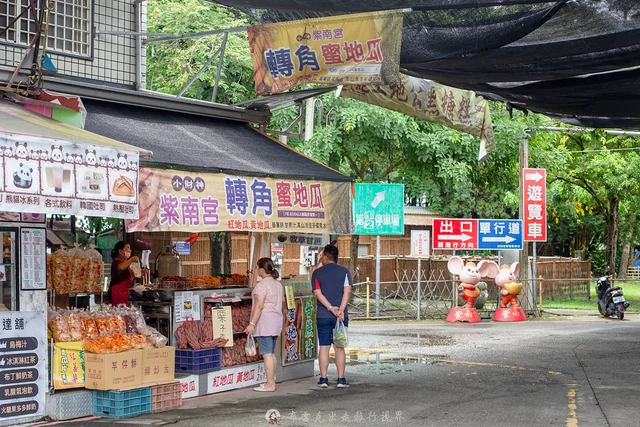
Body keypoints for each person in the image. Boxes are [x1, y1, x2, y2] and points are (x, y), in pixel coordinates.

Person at [312, 244, 352, 388]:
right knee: (339, 347)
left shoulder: (317, 273)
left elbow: (317, 293)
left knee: (324, 347)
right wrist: (340, 310)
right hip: (340, 317)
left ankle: (323, 379)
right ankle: (341, 379)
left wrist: (330, 308)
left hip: (323, 315)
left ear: (325, 257)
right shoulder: (345, 272)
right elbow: (347, 291)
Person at [245, 257, 284, 392]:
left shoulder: (261, 286)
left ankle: (270, 384)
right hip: (276, 322)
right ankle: (272, 381)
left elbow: (259, 306)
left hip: (265, 323)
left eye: (257, 267)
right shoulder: (278, 284)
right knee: (271, 353)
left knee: (267, 354)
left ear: (262, 269)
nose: (256, 270)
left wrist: (252, 324)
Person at [109, 241, 138, 307]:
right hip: (118, 292)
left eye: (130, 248)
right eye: (127, 248)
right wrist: (131, 260)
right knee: (120, 312)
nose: (129, 250)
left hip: (125, 292)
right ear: (120, 251)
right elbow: (120, 267)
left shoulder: (125, 262)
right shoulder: (117, 261)